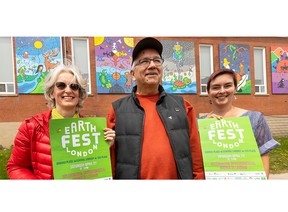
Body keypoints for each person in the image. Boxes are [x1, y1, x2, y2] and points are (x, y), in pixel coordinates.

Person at [106, 37, 205, 179]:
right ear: (132, 74)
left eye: (157, 60)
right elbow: (111, 158)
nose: (152, 65)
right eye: (144, 61)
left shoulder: (183, 106)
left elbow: (196, 155)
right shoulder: (117, 110)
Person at [7, 61, 115, 179]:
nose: (68, 90)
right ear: (52, 92)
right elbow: (16, 167)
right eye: (61, 85)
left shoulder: (94, 129)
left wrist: (106, 148)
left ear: (79, 93)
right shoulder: (31, 127)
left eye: (74, 86)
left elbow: (100, 171)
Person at [200, 68, 280, 179]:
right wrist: (204, 129)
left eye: (227, 86)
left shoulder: (255, 119)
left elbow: (263, 157)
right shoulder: (198, 124)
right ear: (208, 92)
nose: (222, 91)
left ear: (235, 89)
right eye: (216, 87)